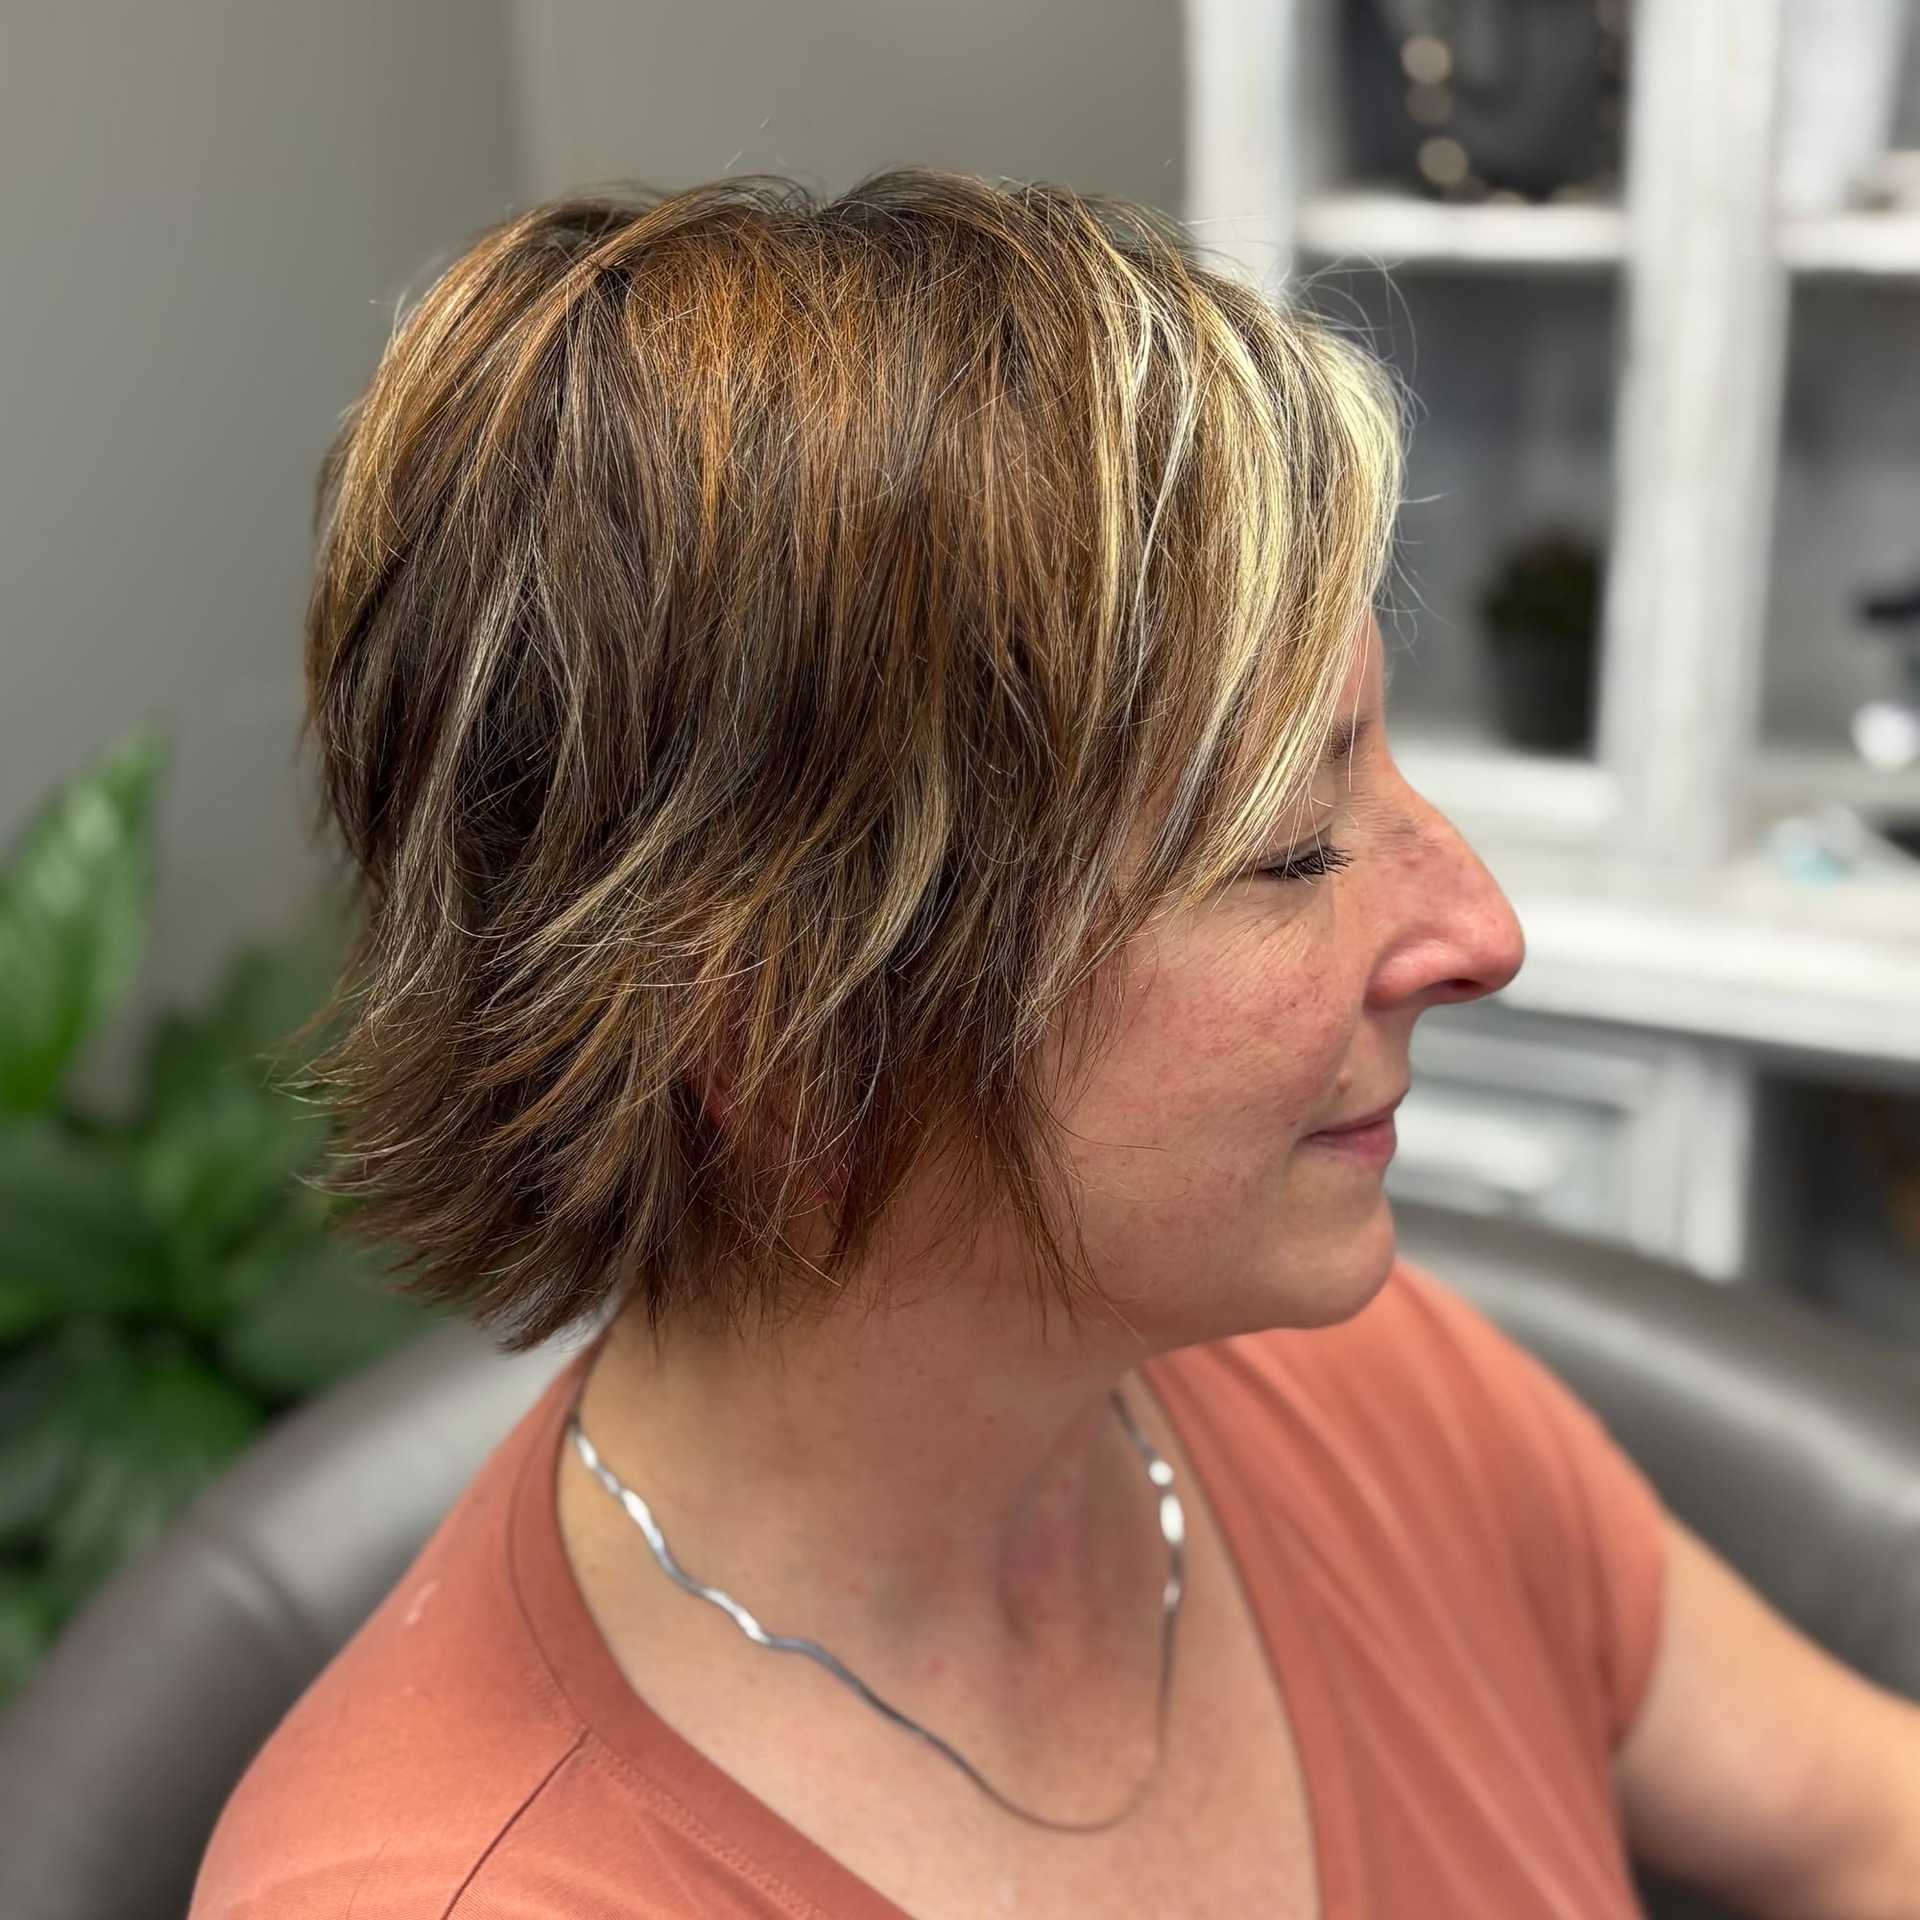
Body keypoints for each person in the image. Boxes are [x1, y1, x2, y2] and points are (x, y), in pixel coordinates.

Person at [189, 168, 1920, 1920]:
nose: (1480, 930)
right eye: (1288, 847)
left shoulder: (1370, 1391)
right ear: (784, 1037)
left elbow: (1875, 1826)